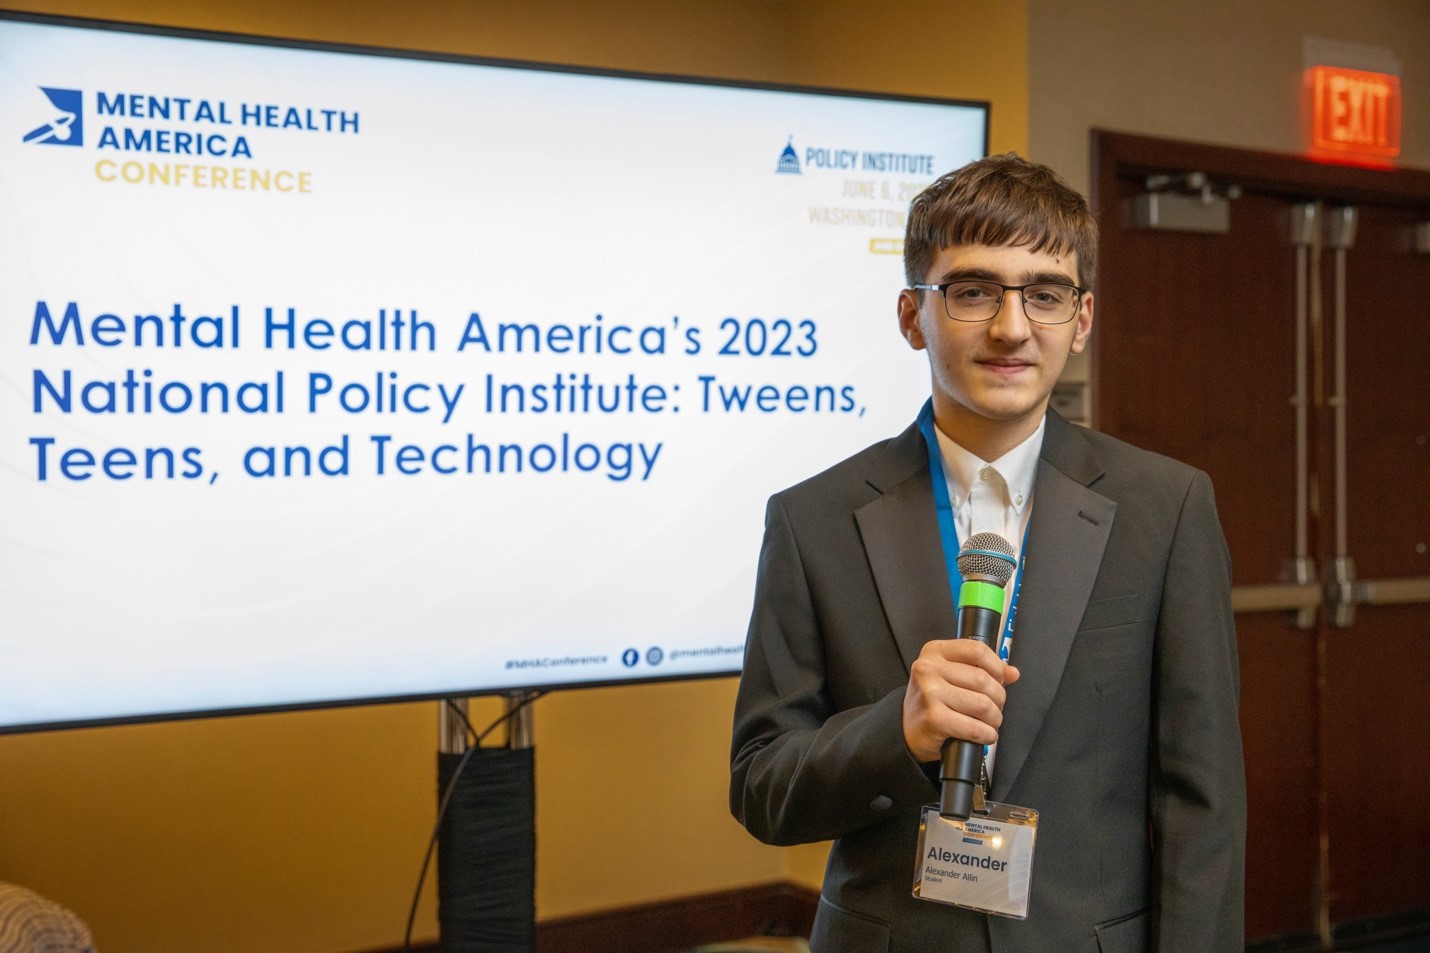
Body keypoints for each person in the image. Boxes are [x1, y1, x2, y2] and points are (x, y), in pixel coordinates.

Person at [729, 153, 1245, 952]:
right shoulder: (813, 519)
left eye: (1046, 293)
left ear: (1082, 319)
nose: (1011, 326)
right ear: (912, 316)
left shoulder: (1166, 508)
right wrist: (897, 731)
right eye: (973, 291)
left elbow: (1200, 800)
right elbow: (762, 784)